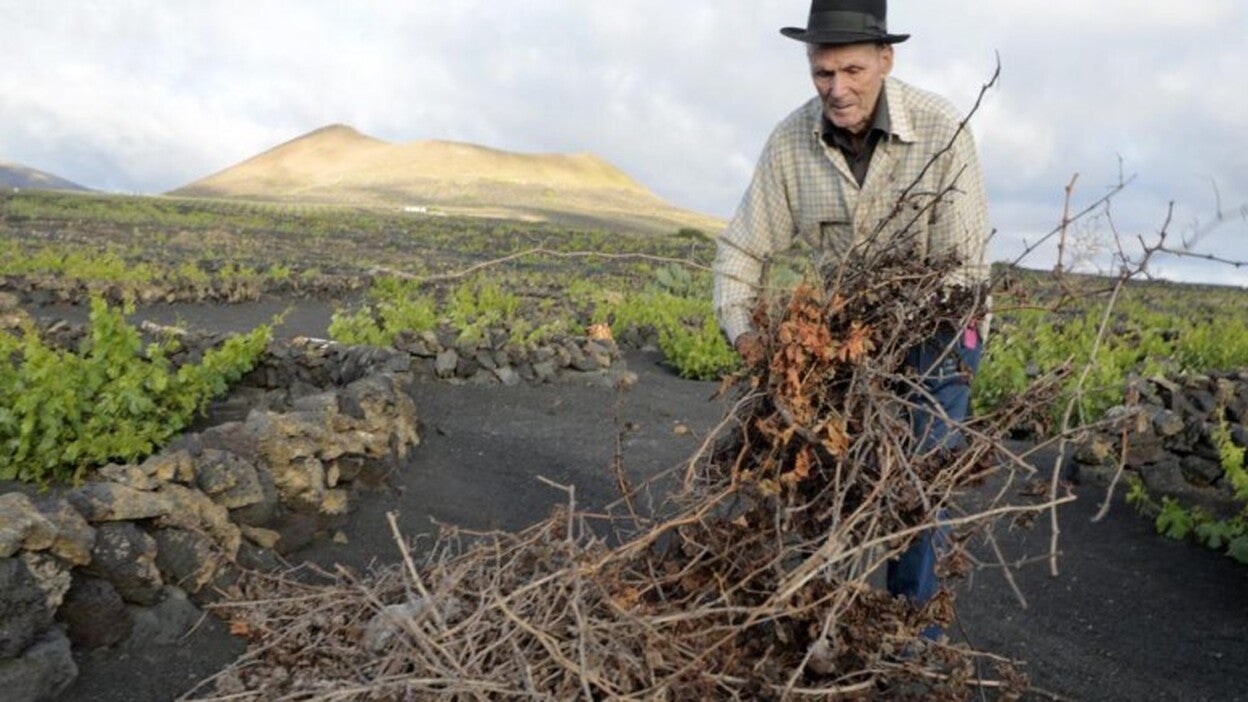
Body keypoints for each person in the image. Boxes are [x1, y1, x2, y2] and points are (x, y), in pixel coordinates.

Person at [712, 0, 990, 640]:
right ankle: (813, 619)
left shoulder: (943, 129)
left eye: (853, 71)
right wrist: (749, 335)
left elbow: (964, 271)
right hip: (840, 342)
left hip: (940, 332)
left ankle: (912, 633)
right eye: (822, 73)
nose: (837, 90)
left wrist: (888, 338)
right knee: (811, 463)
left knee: (918, 473)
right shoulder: (790, 142)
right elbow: (741, 249)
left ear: (886, 60)